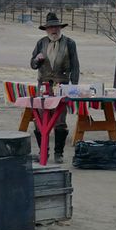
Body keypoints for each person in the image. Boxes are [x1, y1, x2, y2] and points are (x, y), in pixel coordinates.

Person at [30, 12, 80, 163]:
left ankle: (59, 154)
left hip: (62, 85)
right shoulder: (41, 43)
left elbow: (75, 66)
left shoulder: (70, 43)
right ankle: (42, 151)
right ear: (46, 29)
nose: (53, 30)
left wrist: (74, 86)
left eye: (56, 27)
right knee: (39, 120)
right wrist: (37, 60)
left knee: (60, 120)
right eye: (50, 27)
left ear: (60, 28)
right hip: (43, 85)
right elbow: (32, 64)